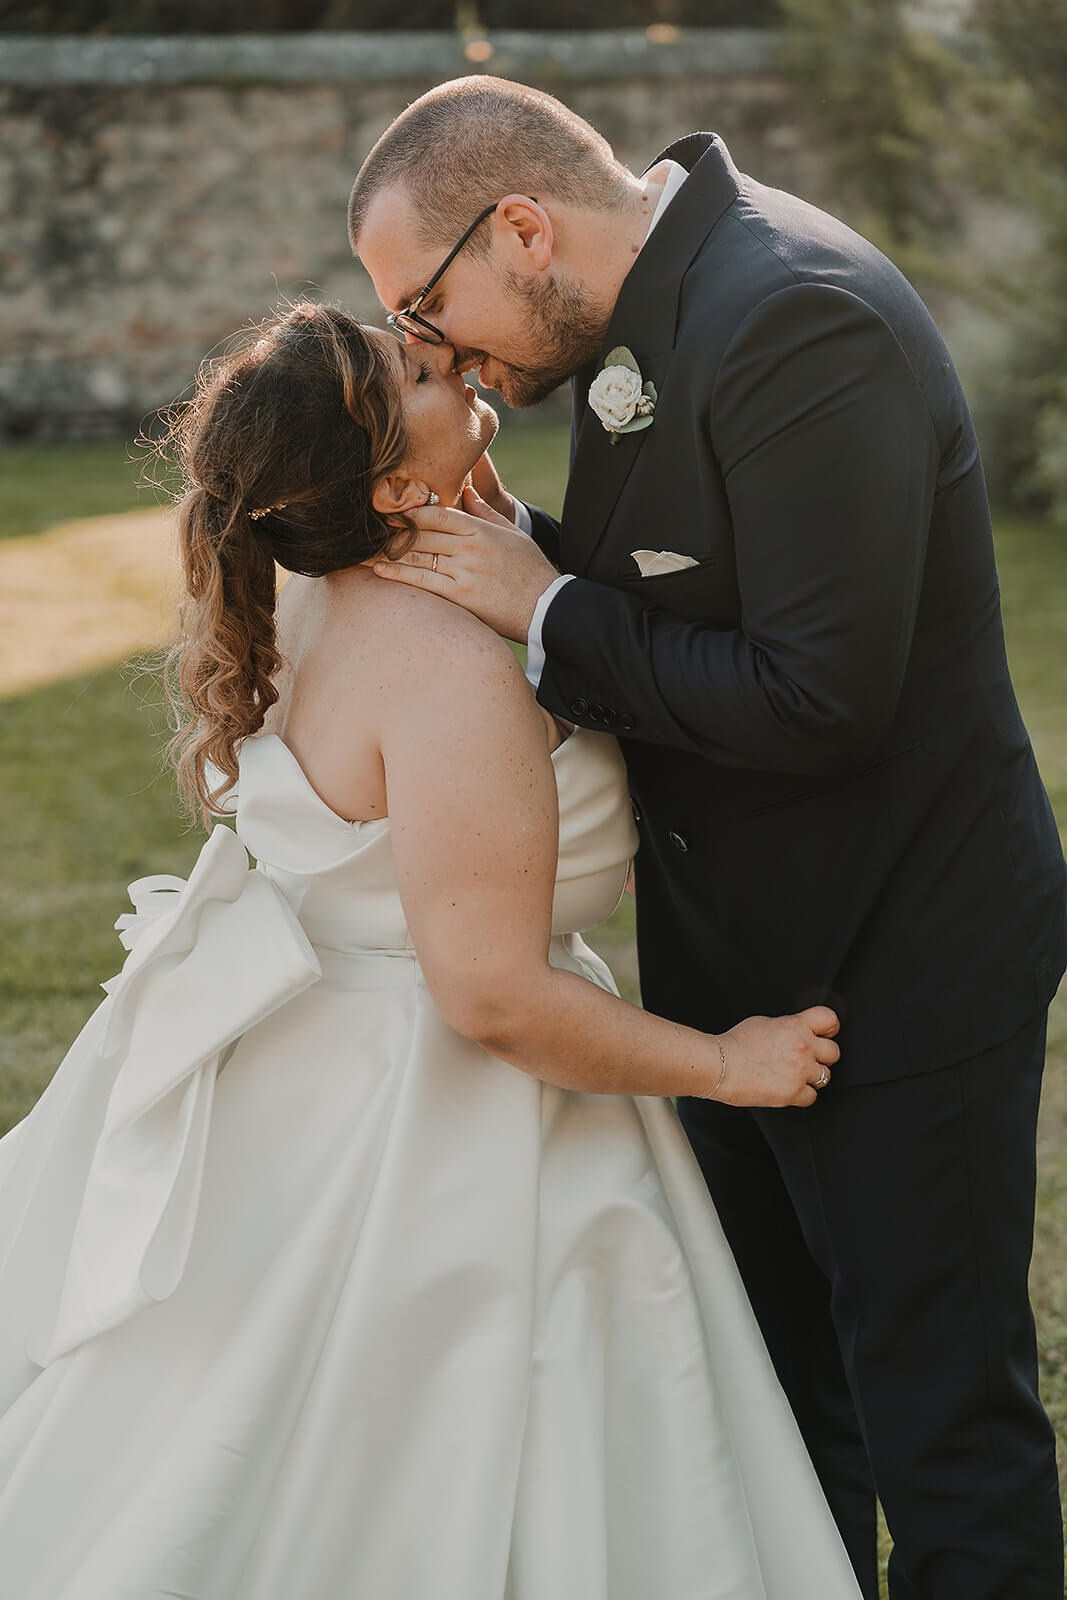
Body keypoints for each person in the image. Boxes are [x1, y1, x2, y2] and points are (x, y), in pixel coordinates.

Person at [0, 301, 859, 1598]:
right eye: (418, 371)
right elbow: (496, 999)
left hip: (302, 1071)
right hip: (443, 1119)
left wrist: (496, 528)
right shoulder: (447, 673)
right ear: (393, 483)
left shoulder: (317, 591)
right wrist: (730, 1065)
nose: (455, 361)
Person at [348, 77, 1067, 1599]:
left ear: (524, 227)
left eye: (431, 304)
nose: (438, 352)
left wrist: (542, 611)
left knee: (936, 1424)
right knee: (773, 1420)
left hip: (905, 963)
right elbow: (693, 589)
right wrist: (533, 551)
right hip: (725, 981)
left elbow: (822, 698)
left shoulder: (798, 320)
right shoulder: (640, 317)